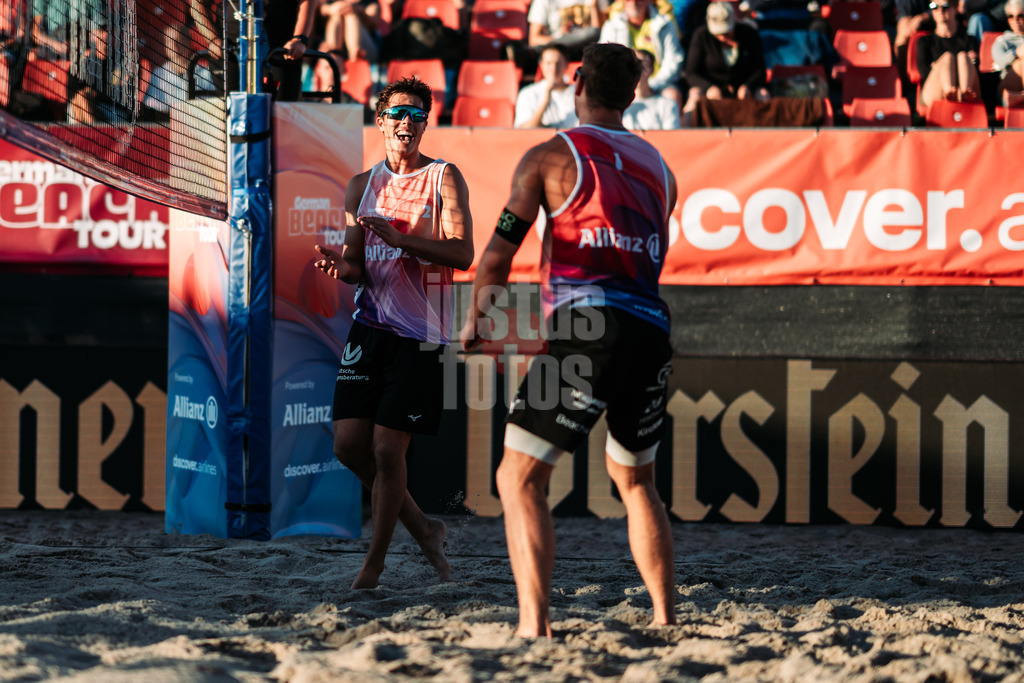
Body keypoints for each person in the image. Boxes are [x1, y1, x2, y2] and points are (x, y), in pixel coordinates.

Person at [460, 43, 678, 638]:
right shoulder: (662, 169)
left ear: (575, 83)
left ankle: (535, 624)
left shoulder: (549, 156)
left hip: (591, 325)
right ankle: (664, 619)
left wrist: (478, 317)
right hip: (650, 328)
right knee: (637, 483)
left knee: (517, 477)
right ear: (633, 95)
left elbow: (500, 253)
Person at [312, 77, 474, 590]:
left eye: (417, 115)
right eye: (398, 113)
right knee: (347, 447)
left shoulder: (444, 178)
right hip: (370, 326)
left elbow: (464, 254)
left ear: (426, 123)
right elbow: (359, 266)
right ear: (380, 121)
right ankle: (426, 528)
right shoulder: (361, 185)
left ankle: (373, 567)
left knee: (387, 452)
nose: (407, 122)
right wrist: (341, 267)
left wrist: (404, 240)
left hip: (420, 331)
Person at [683, 1, 769, 125]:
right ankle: (686, 138)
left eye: (727, 32)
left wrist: (748, 86)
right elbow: (691, 73)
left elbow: (760, 70)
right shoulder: (701, 36)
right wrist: (709, 88)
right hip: (712, 87)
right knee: (695, 96)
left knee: (763, 94)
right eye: (719, 33)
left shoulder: (750, 34)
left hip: (743, 87)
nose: (723, 37)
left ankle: (766, 138)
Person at [599, 0, 685, 107]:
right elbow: (605, 61)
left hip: (659, 84)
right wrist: (628, 85)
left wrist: (651, 85)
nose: (634, 3)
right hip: (623, 86)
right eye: (628, 0)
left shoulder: (665, 23)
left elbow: (674, 60)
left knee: (673, 95)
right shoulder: (611, 26)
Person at [917, 0, 980, 109]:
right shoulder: (924, 41)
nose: (940, 10)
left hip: (967, 89)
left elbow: (977, 69)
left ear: (956, 8)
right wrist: (942, 65)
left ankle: (964, 93)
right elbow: (924, 72)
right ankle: (950, 92)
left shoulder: (970, 40)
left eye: (945, 6)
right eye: (934, 6)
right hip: (934, 91)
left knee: (962, 57)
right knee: (948, 58)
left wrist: (936, 64)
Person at [143, 23, 215, 114]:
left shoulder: (206, 73)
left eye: (178, 40)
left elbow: (213, 106)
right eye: (169, 41)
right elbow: (153, 107)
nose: (174, 45)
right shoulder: (157, 75)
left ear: (188, 42)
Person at [514, 44, 580, 128]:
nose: (554, 68)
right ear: (541, 65)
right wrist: (545, 101)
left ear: (566, 65)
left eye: (558, 63)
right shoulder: (528, 94)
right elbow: (524, 131)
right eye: (549, 63)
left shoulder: (579, 94)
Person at [527, 0, 609, 61]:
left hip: (588, 48)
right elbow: (534, 39)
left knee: (593, 33)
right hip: (559, 48)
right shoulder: (543, 1)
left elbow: (600, 32)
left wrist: (594, 6)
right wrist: (559, 39)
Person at [623, 48, 680, 128]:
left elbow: (672, 137)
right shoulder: (620, 107)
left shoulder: (667, 105)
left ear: (651, 70)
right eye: (633, 65)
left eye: (643, 65)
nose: (638, 70)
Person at [992, 0, 1024, 105]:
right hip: (1010, 86)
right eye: (1011, 16)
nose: (1015, 20)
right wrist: (1016, 53)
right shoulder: (1003, 40)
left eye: (1020, 16)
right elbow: (1000, 62)